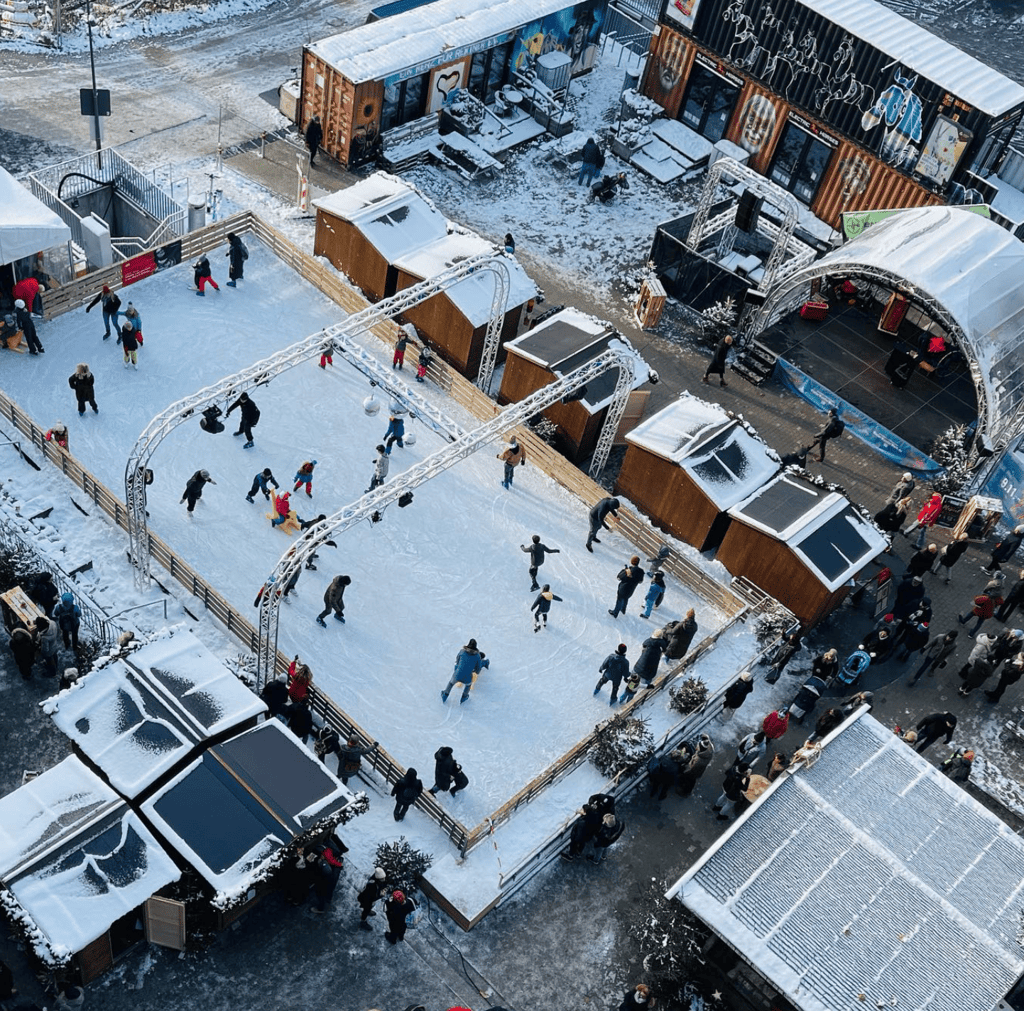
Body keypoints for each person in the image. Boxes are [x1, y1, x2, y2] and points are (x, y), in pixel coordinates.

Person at [441, 638, 486, 704]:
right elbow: (478, 669)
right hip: (467, 677)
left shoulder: (462, 651)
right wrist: (475, 671)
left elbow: (457, 661)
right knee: (468, 685)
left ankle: (445, 695)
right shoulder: (477, 656)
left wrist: (457, 669)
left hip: (457, 674)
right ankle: (464, 697)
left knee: (451, 683)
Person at [311, 843, 345, 912]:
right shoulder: (331, 855)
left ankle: (320, 909)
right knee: (329, 892)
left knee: (321, 895)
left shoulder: (323, 872)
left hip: (323, 883)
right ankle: (328, 899)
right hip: (330, 880)